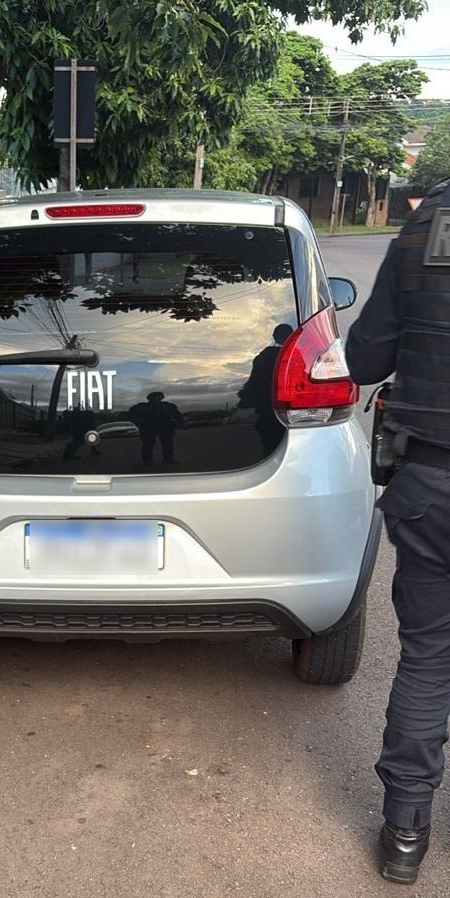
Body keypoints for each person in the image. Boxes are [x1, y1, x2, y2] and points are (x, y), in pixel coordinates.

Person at [345, 177, 450, 885]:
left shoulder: (428, 224)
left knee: (428, 656)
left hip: (431, 483)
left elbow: (364, 361)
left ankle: (405, 835)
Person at [237, 324, 294, 455]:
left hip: (265, 412)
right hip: (288, 413)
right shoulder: (292, 356)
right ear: (290, 337)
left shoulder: (261, 357)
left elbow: (252, 384)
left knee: (269, 448)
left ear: (275, 337)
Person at [128, 391, 183, 465]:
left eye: (159, 396)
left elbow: (177, 415)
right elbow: (131, 415)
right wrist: (139, 423)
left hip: (165, 427)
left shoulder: (168, 406)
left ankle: (168, 459)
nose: (157, 398)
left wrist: (179, 422)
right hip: (149, 428)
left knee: (167, 444)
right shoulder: (141, 406)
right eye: (155, 397)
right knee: (148, 445)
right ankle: (147, 461)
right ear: (149, 398)